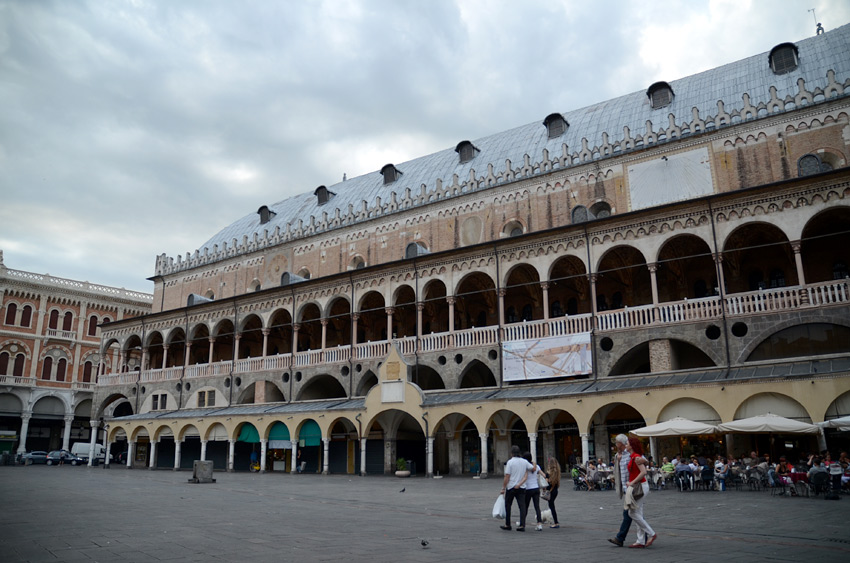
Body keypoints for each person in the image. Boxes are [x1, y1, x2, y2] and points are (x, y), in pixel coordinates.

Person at [624, 436, 656, 548]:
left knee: (632, 513)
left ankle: (651, 533)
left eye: (627, 443)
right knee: (638, 513)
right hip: (639, 485)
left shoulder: (636, 458)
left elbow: (643, 472)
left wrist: (632, 482)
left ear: (632, 446)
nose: (625, 445)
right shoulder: (633, 456)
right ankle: (640, 540)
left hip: (640, 486)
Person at [500, 445, 533, 532]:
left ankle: (508, 524)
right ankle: (522, 525)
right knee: (522, 506)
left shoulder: (510, 462)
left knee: (508, 505)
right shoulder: (524, 461)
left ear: (511, 453)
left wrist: (503, 488)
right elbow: (532, 468)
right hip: (521, 487)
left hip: (511, 487)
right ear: (519, 453)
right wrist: (525, 472)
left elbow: (507, 476)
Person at [608, 434, 632, 547]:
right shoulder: (618, 455)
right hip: (625, 489)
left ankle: (620, 537)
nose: (615, 444)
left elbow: (642, 463)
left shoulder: (631, 453)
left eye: (616, 442)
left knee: (629, 514)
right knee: (635, 515)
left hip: (632, 489)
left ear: (621, 444)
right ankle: (647, 535)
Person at [522, 452, 543, 531]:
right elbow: (543, 475)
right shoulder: (536, 466)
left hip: (528, 489)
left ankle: (522, 523)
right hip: (536, 488)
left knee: (525, 507)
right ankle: (539, 524)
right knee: (537, 507)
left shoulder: (525, 467)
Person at [544, 457, 561, 528]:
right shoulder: (557, 472)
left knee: (551, 506)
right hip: (555, 491)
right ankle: (555, 521)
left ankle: (556, 522)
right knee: (552, 506)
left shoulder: (548, 473)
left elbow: (546, 482)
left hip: (550, 491)